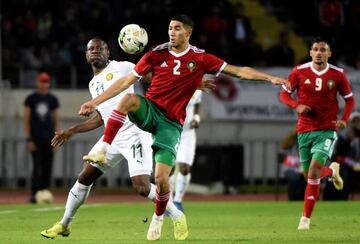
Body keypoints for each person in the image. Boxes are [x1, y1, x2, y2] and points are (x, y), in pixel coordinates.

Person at [79, 15, 289, 241]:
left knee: (161, 178)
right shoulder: (156, 53)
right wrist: (95, 102)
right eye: (169, 28)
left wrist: (270, 78)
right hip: (151, 110)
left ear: (188, 33)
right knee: (127, 100)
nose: (171, 32)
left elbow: (239, 71)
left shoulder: (200, 58)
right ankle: (103, 148)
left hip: (170, 124)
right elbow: (126, 82)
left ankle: (160, 218)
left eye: (177, 29)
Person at [40, 38, 184, 239]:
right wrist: (72, 130)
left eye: (100, 48)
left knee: (142, 187)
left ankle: (178, 215)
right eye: (91, 49)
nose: (95, 51)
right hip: (112, 138)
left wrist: (188, 82)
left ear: (108, 52)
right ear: (86, 55)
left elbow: (153, 76)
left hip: (134, 133)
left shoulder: (124, 67)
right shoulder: (93, 83)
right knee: (84, 177)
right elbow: (102, 118)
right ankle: (64, 224)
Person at [279, 37, 355, 230]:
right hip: (304, 129)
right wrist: (297, 105)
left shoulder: (338, 74)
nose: (319, 52)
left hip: (326, 130)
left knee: (313, 171)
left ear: (329, 53)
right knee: (309, 176)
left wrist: (344, 119)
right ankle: (332, 171)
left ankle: (305, 220)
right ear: (310, 52)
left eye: (323, 49)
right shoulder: (299, 71)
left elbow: (350, 100)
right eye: (315, 49)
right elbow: (283, 94)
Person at [24, 72, 60, 203]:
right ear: (37, 82)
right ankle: (34, 193)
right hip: (36, 138)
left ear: (49, 83)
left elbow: (56, 119)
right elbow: (26, 119)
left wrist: (57, 138)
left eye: (46, 82)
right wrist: (29, 139)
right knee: (36, 165)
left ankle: (45, 191)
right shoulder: (31, 98)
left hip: (49, 138)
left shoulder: (52, 99)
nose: (44, 84)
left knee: (47, 166)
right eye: (42, 82)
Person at [170, 90, 202, 211]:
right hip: (171, 131)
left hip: (188, 133)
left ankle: (178, 201)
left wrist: (196, 118)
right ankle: (168, 201)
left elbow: (197, 105)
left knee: (184, 168)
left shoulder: (197, 88)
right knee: (169, 168)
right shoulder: (173, 83)